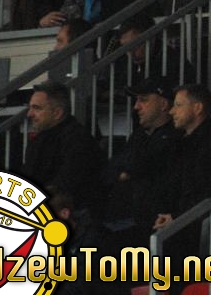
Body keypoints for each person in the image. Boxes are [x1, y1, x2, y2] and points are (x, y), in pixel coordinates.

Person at [156, 84, 211, 230]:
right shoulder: (178, 143)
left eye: (178, 105)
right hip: (182, 221)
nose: (171, 111)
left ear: (197, 108)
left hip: (208, 225)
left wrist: (177, 218)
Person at [104, 75, 180, 248]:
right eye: (136, 100)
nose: (136, 106)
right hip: (126, 219)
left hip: (151, 224)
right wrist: (124, 173)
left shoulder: (175, 137)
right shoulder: (139, 135)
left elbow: (139, 167)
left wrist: (127, 172)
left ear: (163, 104)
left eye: (143, 100)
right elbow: (112, 169)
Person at [20, 82, 103, 210]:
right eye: (30, 107)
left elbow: (65, 186)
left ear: (57, 113)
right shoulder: (38, 140)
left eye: (37, 108)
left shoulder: (78, 140)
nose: (29, 114)